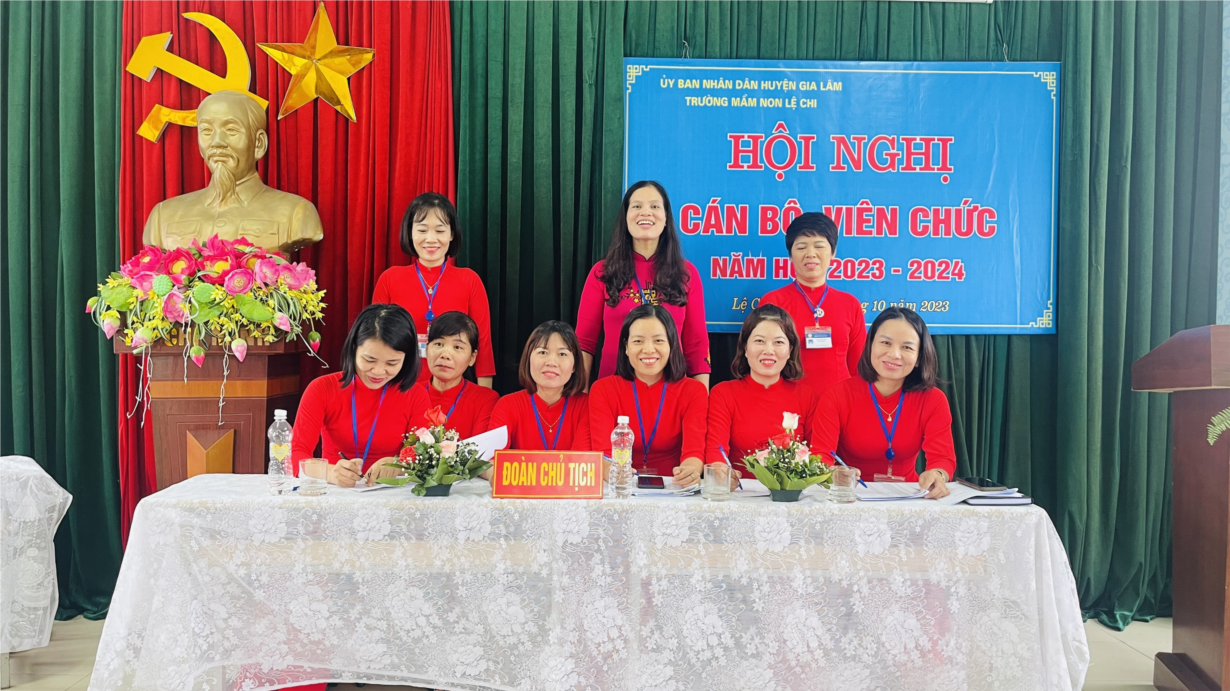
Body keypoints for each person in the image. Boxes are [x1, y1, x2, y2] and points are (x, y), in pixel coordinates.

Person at [575, 181, 710, 388]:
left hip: (672, 393)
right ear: (625, 217)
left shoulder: (686, 274)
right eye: (637, 206)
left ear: (666, 219)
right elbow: (584, 342)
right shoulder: (602, 273)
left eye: (654, 206)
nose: (646, 212)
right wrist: (582, 396)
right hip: (612, 392)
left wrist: (702, 397)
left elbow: (697, 344)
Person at [810, 307, 954, 499]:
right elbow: (820, 457)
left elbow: (942, 458)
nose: (894, 354)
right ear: (870, 345)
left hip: (909, 497)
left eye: (907, 347)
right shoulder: (837, 395)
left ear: (919, 357)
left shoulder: (933, 399)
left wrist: (938, 475)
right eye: (885, 343)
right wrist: (833, 473)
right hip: (850, 496)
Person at [290, 304, 431, 488]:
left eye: (392, 363)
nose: (378, 371)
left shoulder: (416, 395)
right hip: (335, 490)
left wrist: (398, 465)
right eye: (369, 360)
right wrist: (330, 472)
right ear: (353, 349)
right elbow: (297, 454)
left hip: (392, 492)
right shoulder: (322, 389)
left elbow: (424, 455)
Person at [372, 193, 495, 387]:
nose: (430, 239)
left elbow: (483, 344)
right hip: (400, 387)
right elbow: (376, 341)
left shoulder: (469, 280)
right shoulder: (389, 279)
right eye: (422, 230)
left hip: (452, 390)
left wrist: (485, 395)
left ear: (451, 234)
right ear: (410, 232)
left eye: (440, 230)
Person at [589, 305, 708, 486]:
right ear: (626, 347)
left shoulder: (694, 391)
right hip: (620, 486)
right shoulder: (602, 390)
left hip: (673, 486)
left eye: (658, 341)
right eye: (638, 341)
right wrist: (612, 472)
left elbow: (694, 452)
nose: (648, 349)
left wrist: (689, 471)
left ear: (672, 344)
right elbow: (602, 454)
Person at [760, 212, 867, 396]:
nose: (810, 254)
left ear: (833, 253)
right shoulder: (773, 302)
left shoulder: (850, 304)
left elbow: (859, 367)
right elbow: (763, 362)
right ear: (790, 255)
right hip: (789, 402)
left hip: (839, 402)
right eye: (801, 247)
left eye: (819, 246)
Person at [706, 305, 819, 475]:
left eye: (778, 342)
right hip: (738, 488)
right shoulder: (723, 393)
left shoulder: (807, 397)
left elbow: (817, 454)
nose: (768, 350)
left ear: (790, 350)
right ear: (745, 347)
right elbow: (716, 451)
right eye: (759, 341)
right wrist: (721, 474)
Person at [488, 321, 591, 453]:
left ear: (574, 366)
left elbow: (582, 460)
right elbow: (491, 459)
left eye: (562, 354)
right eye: (543, 352)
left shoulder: (586, 406)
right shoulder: (507, 405)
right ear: (528, 359)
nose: (551, 362)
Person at [420, 311, 500, 439]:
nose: (445, 354)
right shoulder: (409, 394)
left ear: (472, 358)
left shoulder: (485, 400)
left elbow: (479, 449)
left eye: (457, 347)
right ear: (427, 349)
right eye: (439, 344)